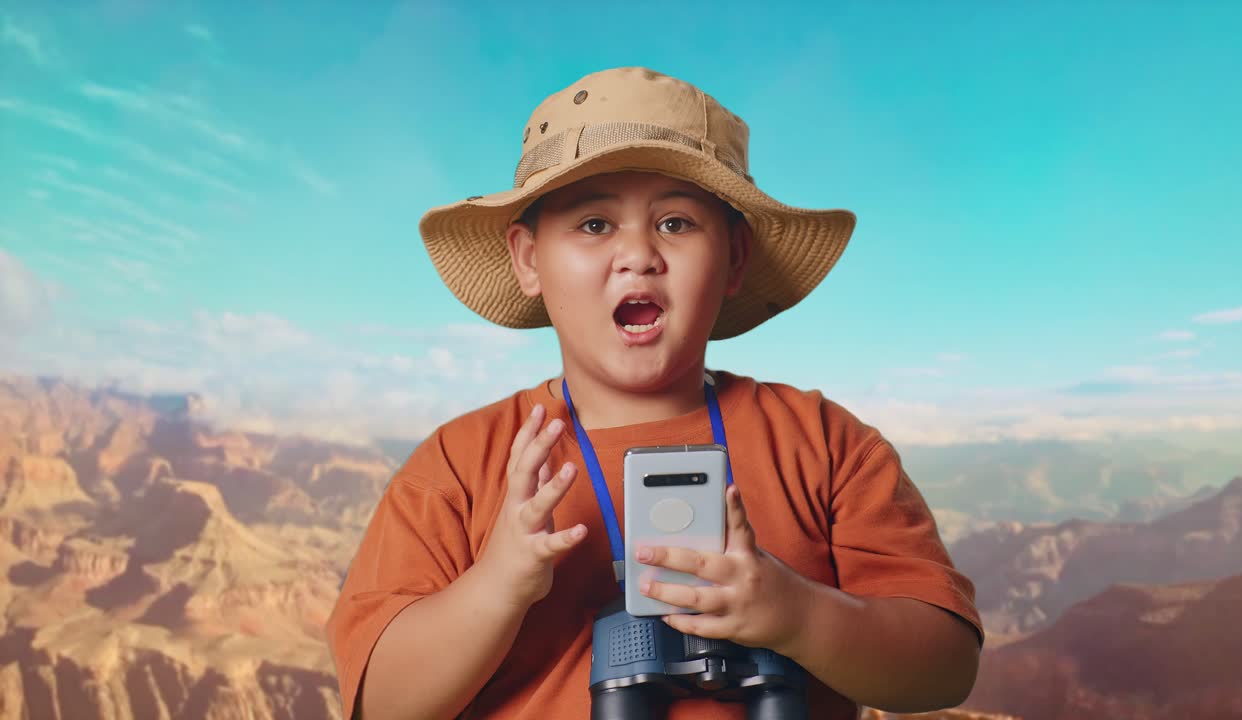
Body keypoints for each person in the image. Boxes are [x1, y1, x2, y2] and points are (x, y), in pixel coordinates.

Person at [325, 66, 983, 720]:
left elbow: (946, 668)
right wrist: (497, 586)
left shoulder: (827, 444)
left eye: (675, 224)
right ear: (528, 259)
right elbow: (380, 703)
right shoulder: (458, 467)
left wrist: (797, 615)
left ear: (735, 258)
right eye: (592, 225)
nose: (638, 254)